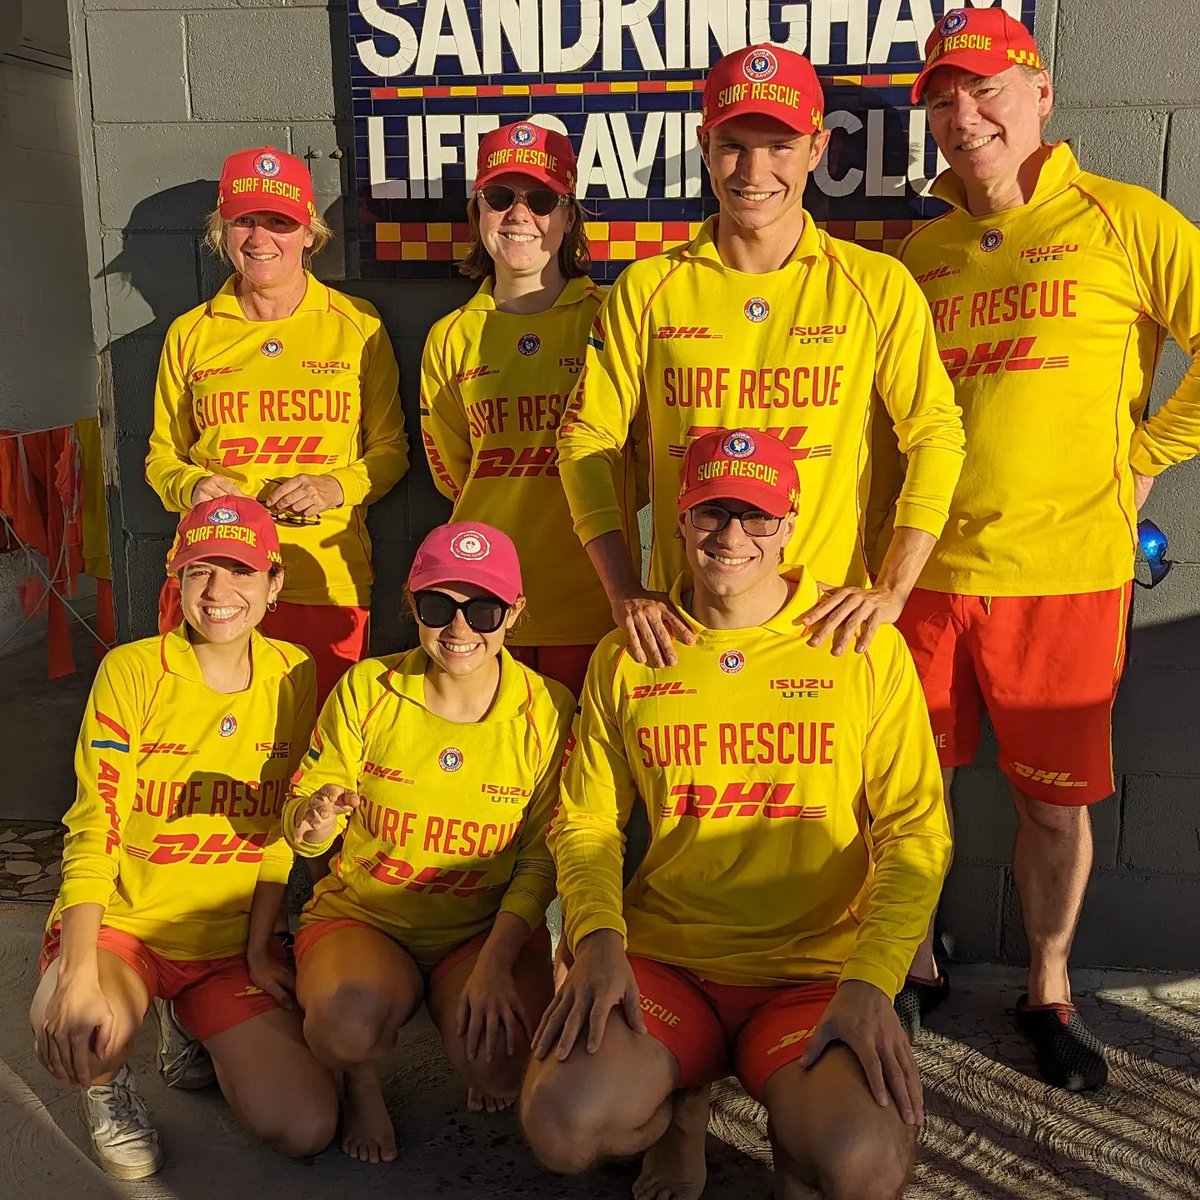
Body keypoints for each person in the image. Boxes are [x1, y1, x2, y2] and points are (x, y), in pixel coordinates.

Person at [887, 7, 1200, 1090]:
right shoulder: (918, 251)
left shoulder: (1127, 220)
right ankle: (912, 964)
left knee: (1052, 802)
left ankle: (1050, 988)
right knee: (905, 787)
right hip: (923, 574)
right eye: (939, 97)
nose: (961, 115)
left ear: (1040, 92)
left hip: (1064, 575)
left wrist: (1147, 452)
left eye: (983, 89)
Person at [520, 429, 951, 1200]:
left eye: (755, 516)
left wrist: (873, 980)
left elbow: (915, 830)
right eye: (711, 512)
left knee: (859, 1167)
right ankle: (683, 1113)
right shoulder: (630, 653)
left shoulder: (858, 647)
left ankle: (795, 1144)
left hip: (812, 972)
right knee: (563, 1126)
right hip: (669, 964)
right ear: (679, 521)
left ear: (790, 523)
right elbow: (585, 823)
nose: (731, 536)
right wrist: (595, 939)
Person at [556, 44, 964, 672]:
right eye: (733, 145)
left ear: (818, 149)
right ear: (704, 145)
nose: (754, 170)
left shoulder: (875, 285)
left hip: (824, 630)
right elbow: (587, 440)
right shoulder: (647, 287)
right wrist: (623, 590)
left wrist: (894, 587)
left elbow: (936, 435)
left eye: (780, 146)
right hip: (682, 631)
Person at [29, 497, 333, 1180]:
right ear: (175, 577)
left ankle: (187, 1018)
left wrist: (259, 948)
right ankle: (110, 1087)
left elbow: (280, 831)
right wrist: (76, 972)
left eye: (240, 572)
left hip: (222, 948)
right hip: (126, 927)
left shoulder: (295, 671)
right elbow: (94, 825)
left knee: (306, 1124)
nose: (219, 593)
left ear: (274, 584)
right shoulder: (133, 670)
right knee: (85, 1029)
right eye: (200, 571)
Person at [283, 522, 574, 1164]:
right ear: (414, 606)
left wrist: (498, 961)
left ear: (515, 614)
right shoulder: (368, 689)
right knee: (345, 1025)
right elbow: (308, 822)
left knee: (501, 1066)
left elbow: (539, 857)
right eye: (440, 605)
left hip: (477, 930)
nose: (461, 628)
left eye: (485, 609)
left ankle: (463, 1020)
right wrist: (312, 822)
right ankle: (362, 1083)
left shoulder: (548, 711)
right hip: (365, 915)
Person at [146, 145, 410, 706]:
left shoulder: (357, 326)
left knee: (315, 748)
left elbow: (391, 450)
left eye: (280, 222)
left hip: (323, 579)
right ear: (222, 229)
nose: (260, 238)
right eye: (244, 220)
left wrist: (334, 486)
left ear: (310, 234)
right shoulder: (190, 333)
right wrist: (192, 485)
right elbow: (161, 457)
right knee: (205, 747)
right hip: (212, 580)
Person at [420, 121, 645, 698]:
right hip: (482, 612)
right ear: (478, 214)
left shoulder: (609, 317)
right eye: (500, 198)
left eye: (541, 199)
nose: (519, 215)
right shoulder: (450, 336)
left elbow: (641, 465)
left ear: (569, 216)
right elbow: (454, 473)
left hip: (597, 604)